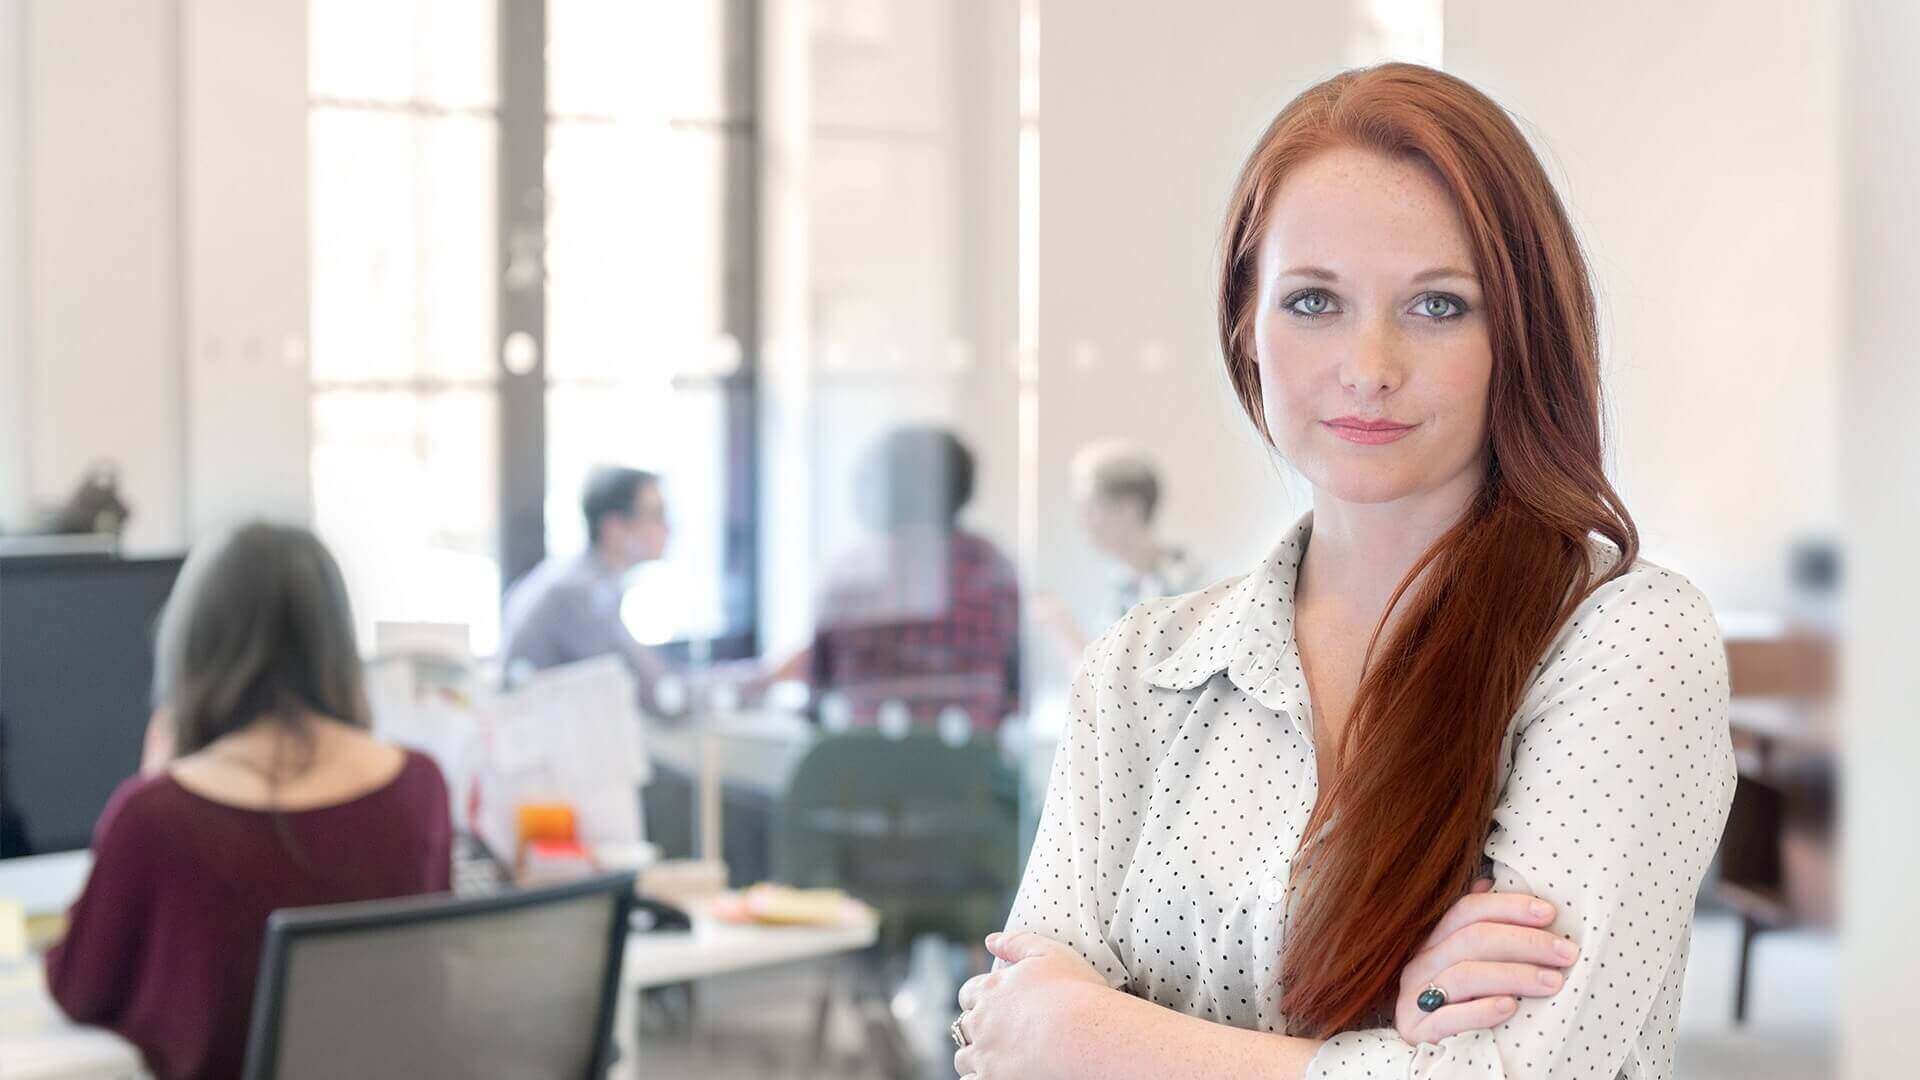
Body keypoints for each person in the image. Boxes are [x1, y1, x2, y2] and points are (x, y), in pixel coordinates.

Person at [953, 63, 1736, 1079]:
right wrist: (1391, 1048)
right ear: (1246, 323)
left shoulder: (1620, 640)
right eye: (1315, 300)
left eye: (1439, 306)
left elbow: (1536, 1074)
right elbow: (1006, 1045)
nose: (1369, 365)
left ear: (1521, 334)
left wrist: (1091, 1036)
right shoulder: (1145, 671)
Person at [45, 523, 452, 1080]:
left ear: (195, 645)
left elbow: (79, 989)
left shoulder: (156, 815)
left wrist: (154, 781)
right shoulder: (419, 786)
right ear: (334, 642)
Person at [804, 427, 1022, 732]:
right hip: (971, 769)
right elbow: (1014, 690)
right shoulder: (992, 568)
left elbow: (817, 692)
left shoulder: (849, 572)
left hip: (860, 766)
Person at [500, 465, 672, 711]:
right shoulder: (576, 594)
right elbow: (653, 692)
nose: (667, 529)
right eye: (656, 515)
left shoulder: (581, 578)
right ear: (614, 528)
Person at [1034, 440, 1211, 660]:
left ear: (1128, 509)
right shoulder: (1121, 587)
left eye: (1090, 506)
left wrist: (1064, 630)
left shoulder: (1189, 585)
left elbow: (1116, 683)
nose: (1083, 521)